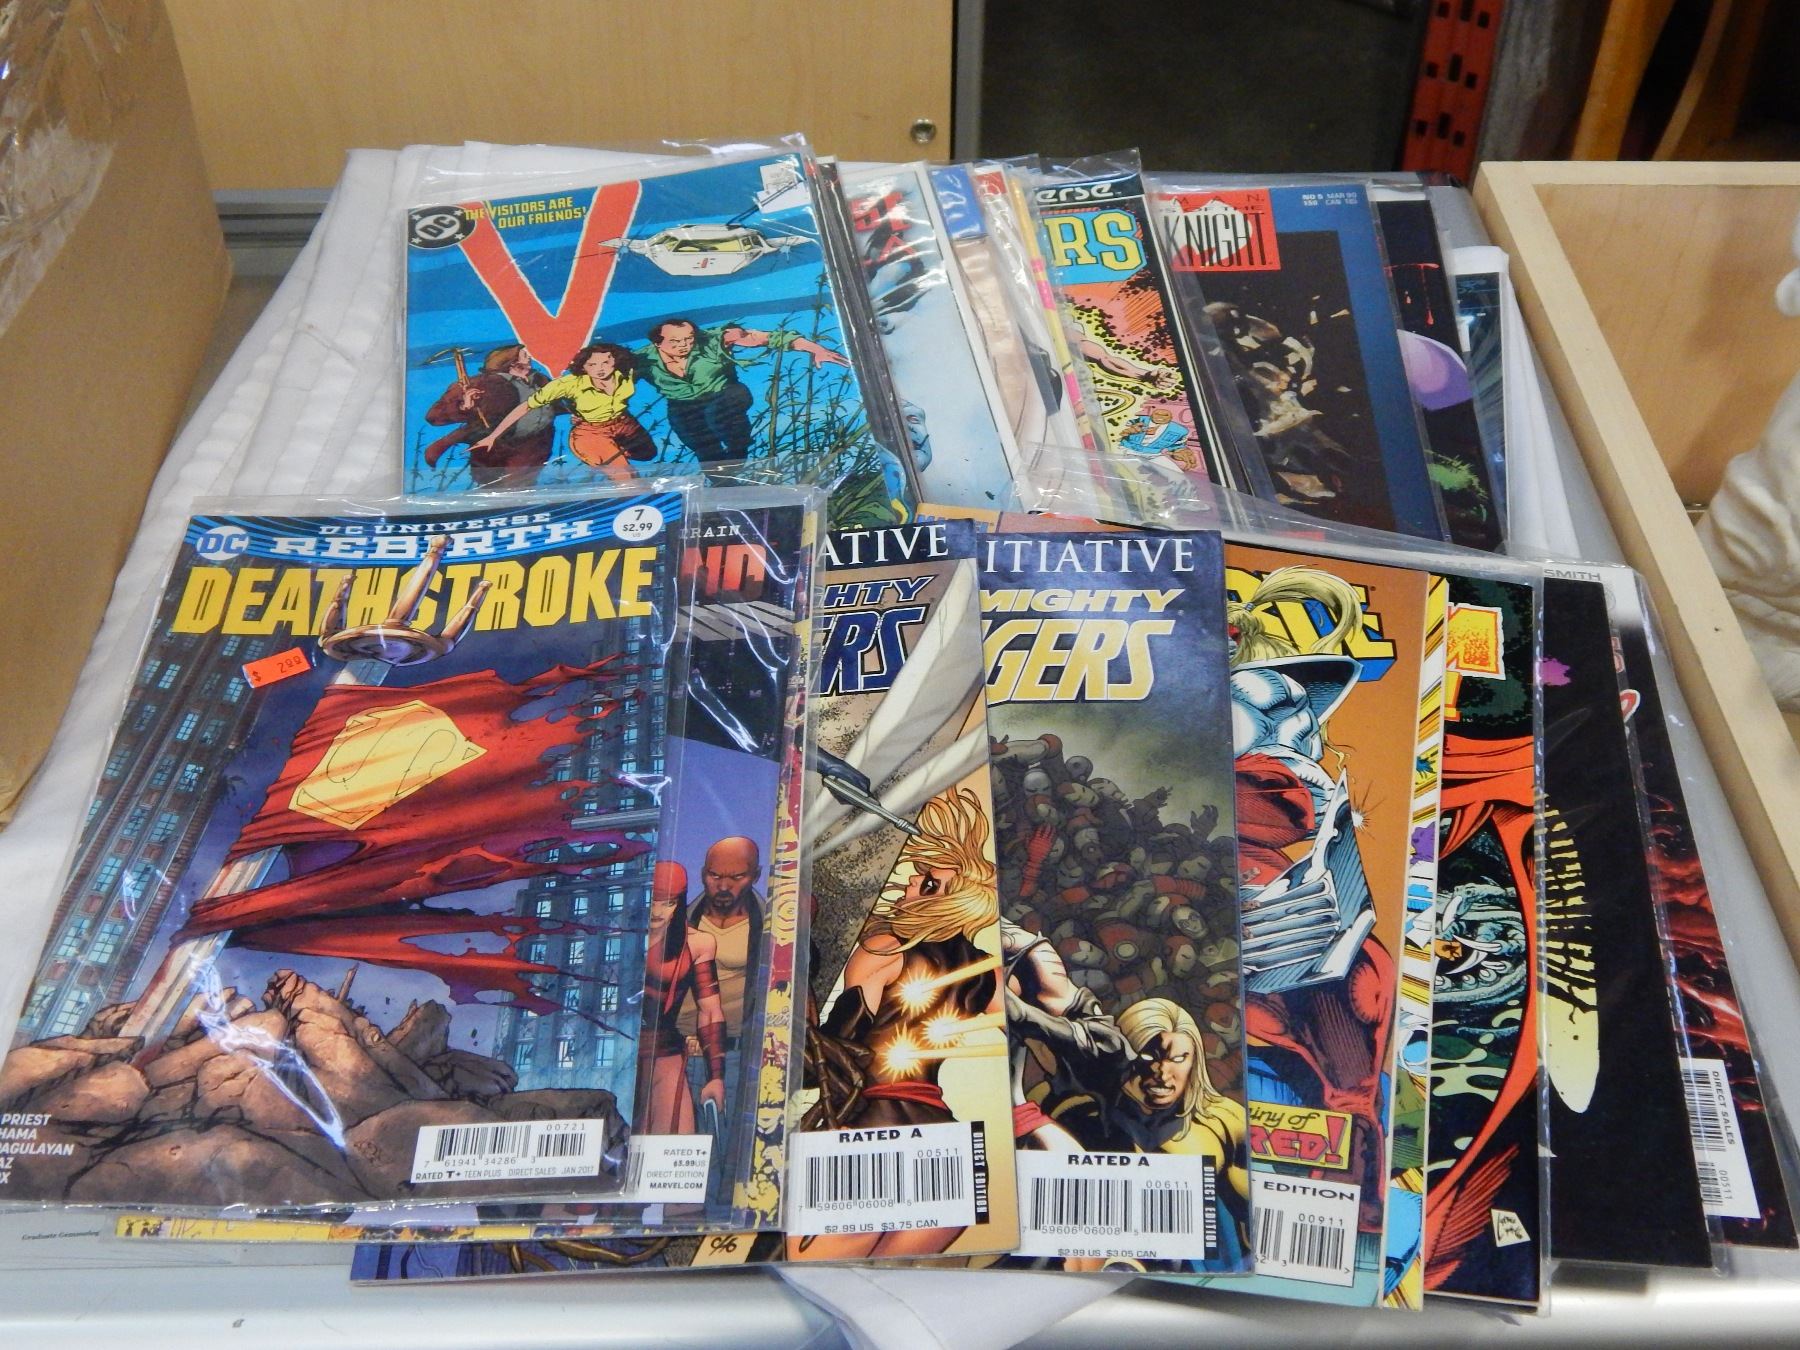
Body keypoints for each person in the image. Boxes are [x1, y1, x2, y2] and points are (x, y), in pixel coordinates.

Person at [797, 786, 1001, 1259]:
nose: (911, 881)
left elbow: (832, 1051)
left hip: (871, 1129)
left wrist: (799, 962)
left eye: (925, 881)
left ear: (945, 899)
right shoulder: (986, 971)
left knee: (818, 1277)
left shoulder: (885, 949)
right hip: (948, 1148)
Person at [634, 317, 846, 464]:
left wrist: (816, 349)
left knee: (718, 416)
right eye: (675, 341)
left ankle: (739, 448)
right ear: (657, 343)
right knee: (704, 450)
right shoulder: (642, 359)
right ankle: (724, 486)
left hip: (726, 393)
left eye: (689, 338)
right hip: (683, 406)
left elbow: (764, 338)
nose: (684, 345)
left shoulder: (713, 340)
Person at [470, 341, 654, 482]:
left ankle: (612, 453)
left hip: (624, 423)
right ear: (583, 366)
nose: (600, 369)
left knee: (648, 454)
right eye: (592, 365)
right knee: (625, 475)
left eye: (606, 362)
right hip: (591, 433)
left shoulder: (626, 374)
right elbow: (526, 406)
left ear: (615, 361)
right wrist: (493, 436)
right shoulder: (568, 384)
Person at [638, 861, 727, 1135]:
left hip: (664, 1052)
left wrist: (716, 1076)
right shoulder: (614, 935)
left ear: (679, 903)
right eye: (652, 901)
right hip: (613, 1052)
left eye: (667, 903)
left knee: (673, 1141)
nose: (657, 911)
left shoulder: (697, 943)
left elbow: (710, 1011)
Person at [421, 344, 554, 487]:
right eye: (524, 354)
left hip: (535, 447)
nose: (530, 357)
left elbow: (559, 400)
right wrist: (464, 407)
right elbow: (434, 416)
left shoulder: (540, 379)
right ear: (511, 361)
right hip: (497, 450)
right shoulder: (481, 383)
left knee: (525, 486)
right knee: (497, 487)